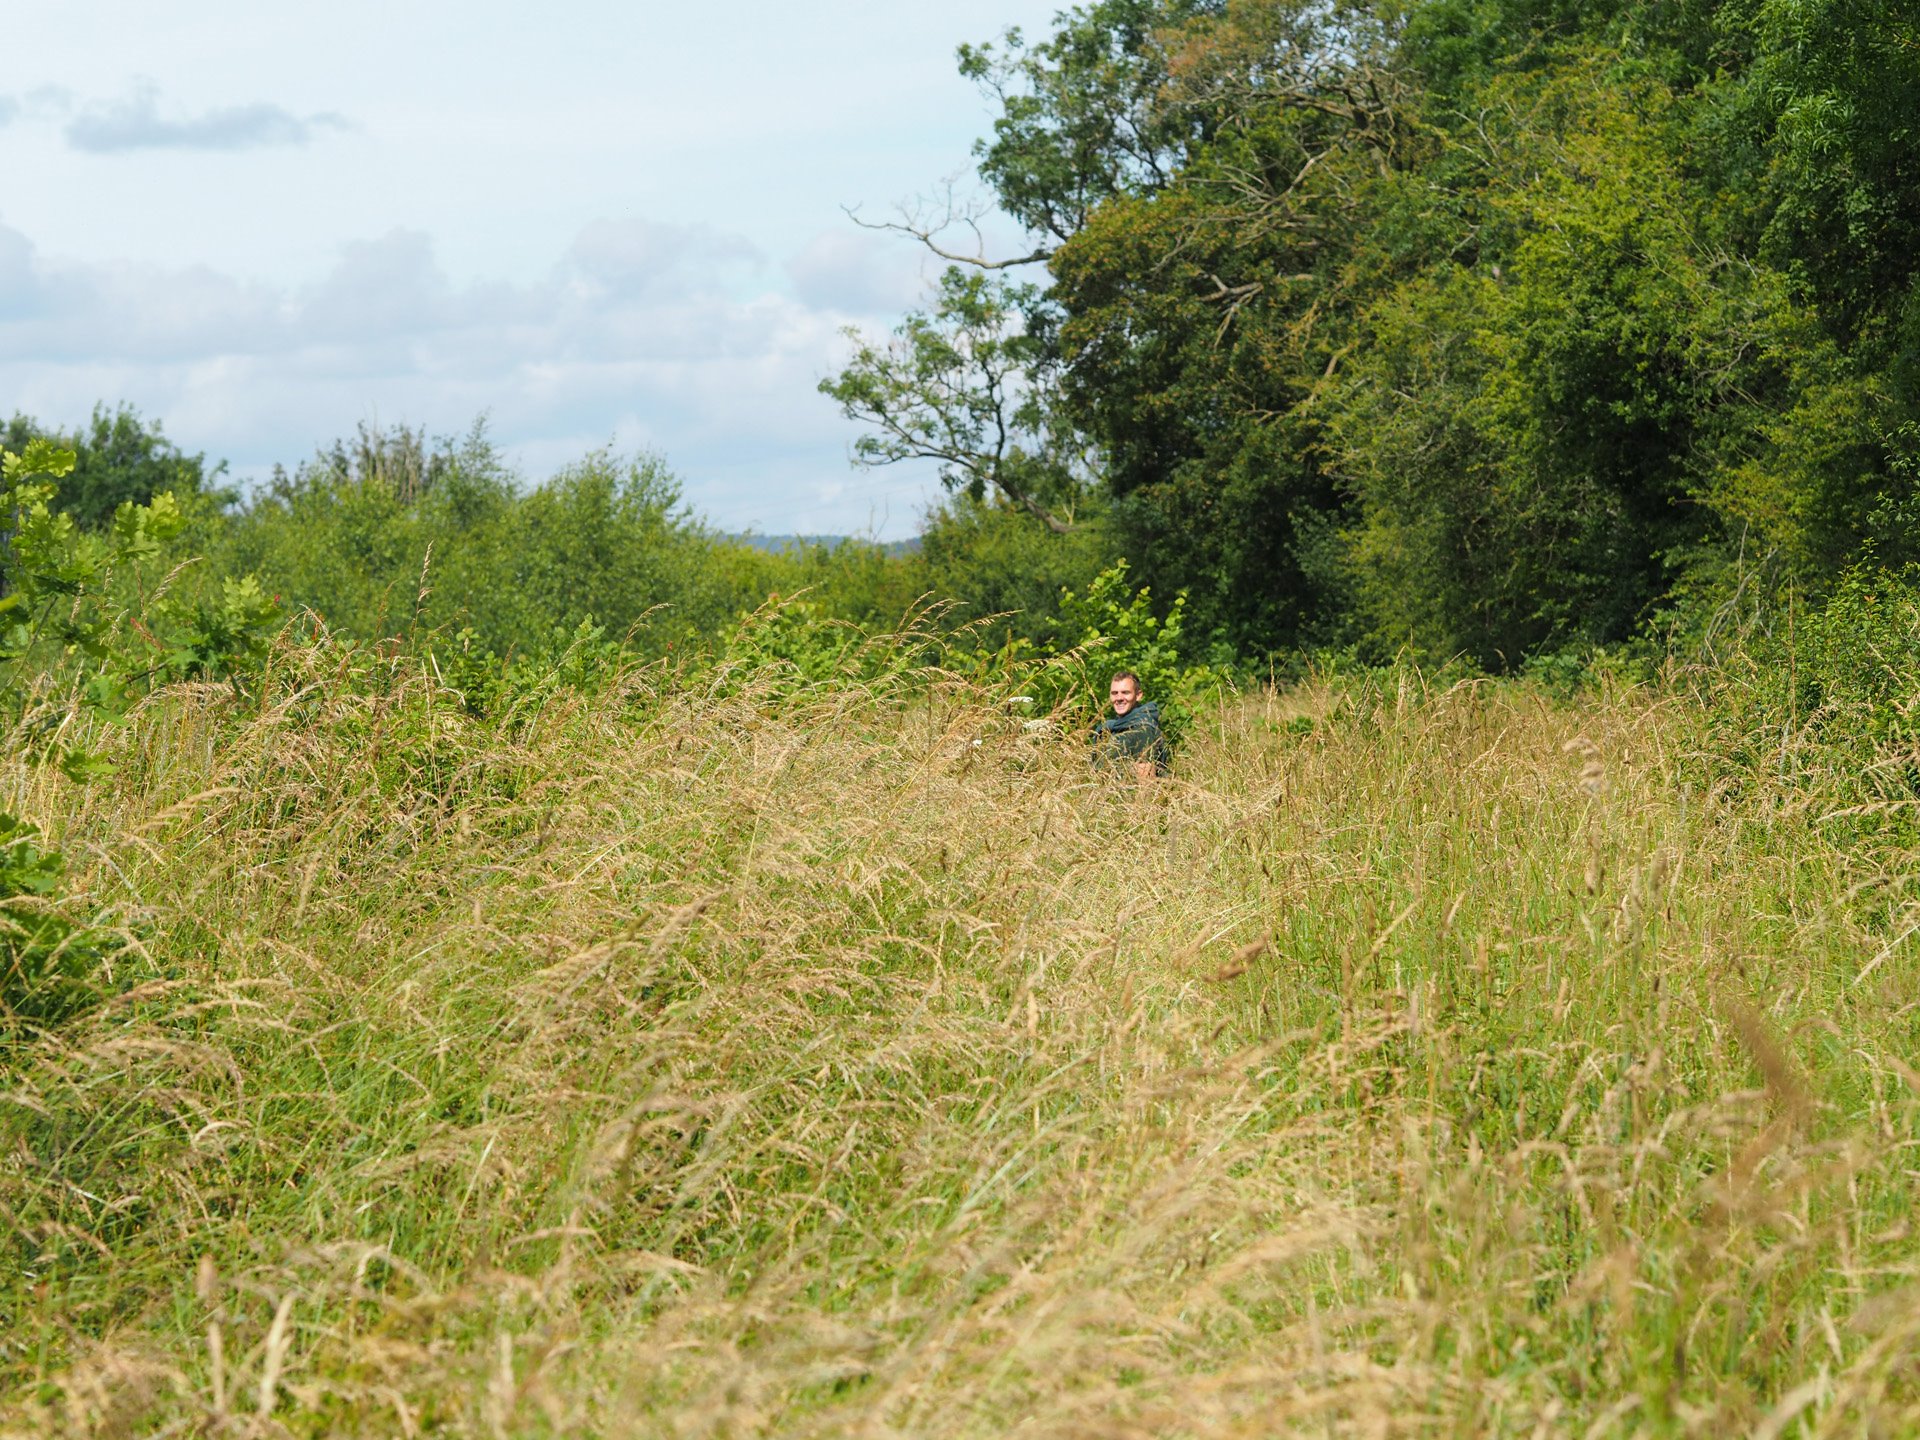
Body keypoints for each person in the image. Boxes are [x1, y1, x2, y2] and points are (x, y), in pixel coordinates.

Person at [1094, 671, 1170, 780]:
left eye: (1125, 693)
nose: (1119, 698)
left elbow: (1146, 782)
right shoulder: (1113, 727)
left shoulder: (1142, 728)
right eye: (1114, 693)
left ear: (1138, 695)